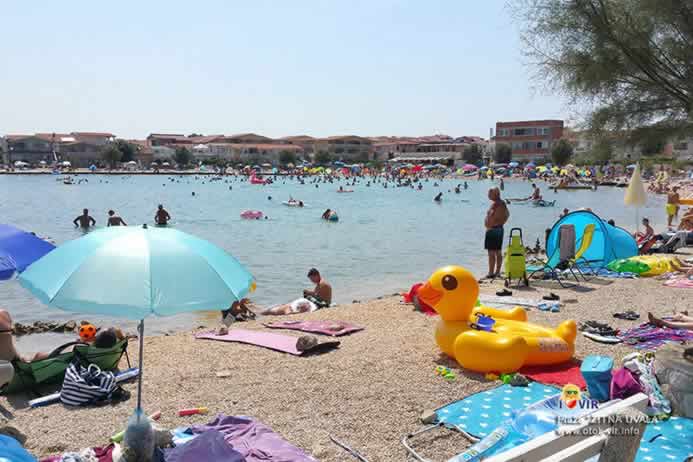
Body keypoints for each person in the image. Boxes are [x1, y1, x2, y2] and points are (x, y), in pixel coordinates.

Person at [262, 268, 333, 315]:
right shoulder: (321, 283)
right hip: (321, 303)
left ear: (317, 275)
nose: (312, 281)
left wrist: (309, 293)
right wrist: (309, 292)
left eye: (312, 279)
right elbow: (318, 294)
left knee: (285, 308)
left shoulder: (322, 284)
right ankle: (266, 311)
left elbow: (318, 296)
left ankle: (265, 312)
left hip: (322, 304)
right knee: (285, 307)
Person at [484, 187, 510, 279]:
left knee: (492, 253)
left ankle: (491, 273)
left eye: (489, 193)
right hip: (498, 228)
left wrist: (491, 225)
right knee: (497, 251)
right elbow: (507, 214)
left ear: (495, 194)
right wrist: (501, 223)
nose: (488, 195)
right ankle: (497, 272)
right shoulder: (501, 203)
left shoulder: (496, 204)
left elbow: (491, 216)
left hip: (493, 230)